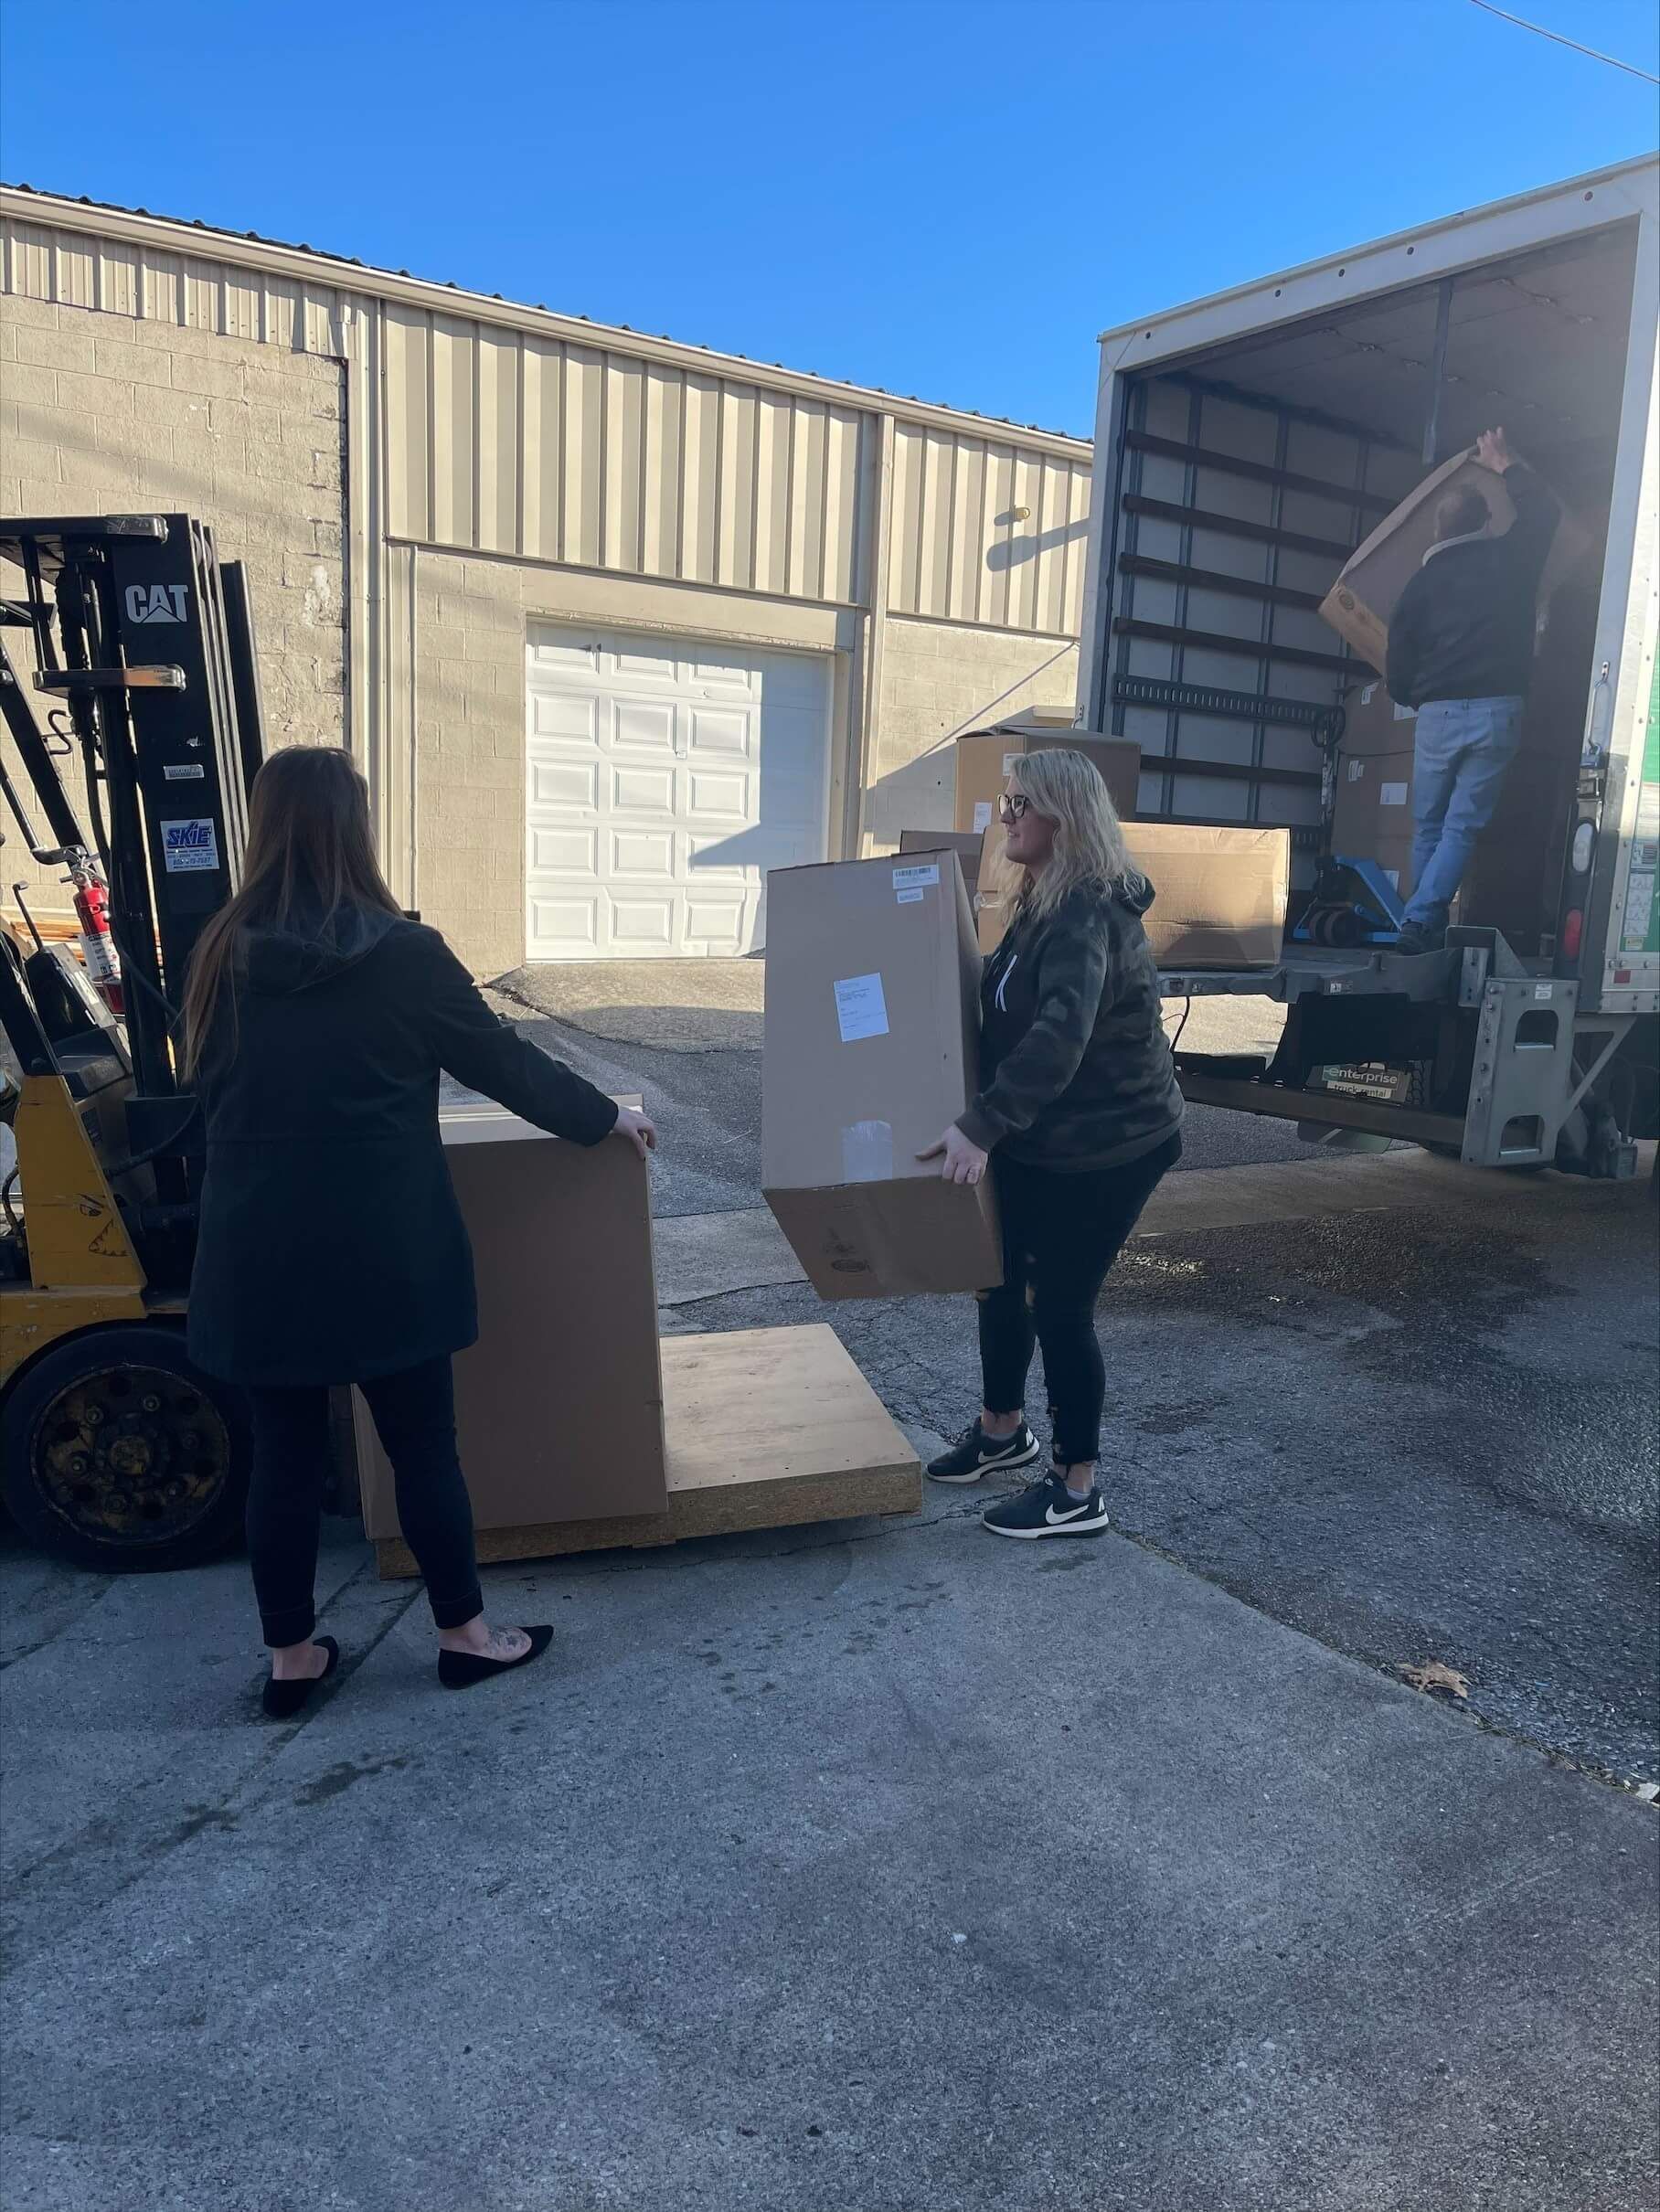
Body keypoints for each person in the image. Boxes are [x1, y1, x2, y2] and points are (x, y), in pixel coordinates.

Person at [180, 746, 655, 1716]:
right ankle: (465, 1635)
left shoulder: (219, 950)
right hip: (385, 1244)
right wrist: (601, 1115)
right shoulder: (402, 951)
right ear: (356, 828)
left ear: (263, 826)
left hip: (256, 1246)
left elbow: (205, 1089)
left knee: (283, 1455)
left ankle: (290, 1658)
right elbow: (499, 1060)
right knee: (422, 1446)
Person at [919, 749, 1184, 1539]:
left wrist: (982, 1125)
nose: (1003, 820)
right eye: (1004, 805)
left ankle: (1077, 1488)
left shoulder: (1085, 913)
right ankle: (1003, 1433)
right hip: (1048, 1136)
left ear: (1060, 818)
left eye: (1015, 806)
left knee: (1061, 1307)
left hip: (1112, 1143)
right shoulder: (1042, 896)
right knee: (998, 1280)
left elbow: (1059, 1039)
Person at [1384, 426, 1560, 953]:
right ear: (1486, 522)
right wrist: (1503, 463)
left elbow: (1398, 662)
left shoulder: (1420, 585)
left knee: (1429, 827)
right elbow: (1545, 514)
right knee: (1461, 825)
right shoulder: (1512, 560)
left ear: (1438, 533)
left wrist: (1417, 698)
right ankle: (1420, 922)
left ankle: (1419, 922)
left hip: (1437, 712)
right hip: (1496, 710)